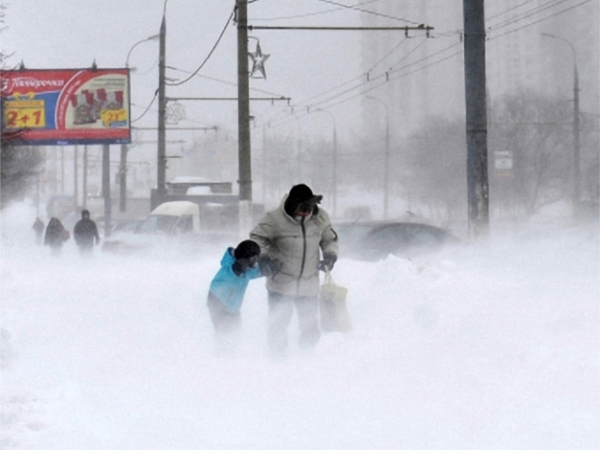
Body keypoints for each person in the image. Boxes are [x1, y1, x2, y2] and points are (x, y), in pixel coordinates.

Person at [250, 184, 338, 356]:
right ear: (292, 205)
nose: (306, 213)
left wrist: (330, 255)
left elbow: (329, 238)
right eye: (302, 209)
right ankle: (277, 362)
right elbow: (257, 238)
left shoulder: (320, 219)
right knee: (278, 326)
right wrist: (264, 257)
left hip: (309, 285)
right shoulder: (273, 219)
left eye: (309, 209)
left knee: (310, 328)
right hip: (280, 284)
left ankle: (305, 359)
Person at [207, 239, 263, 353]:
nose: (255, 262)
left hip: (232, 306)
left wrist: (265, 270)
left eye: (257, 258)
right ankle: (223, 358)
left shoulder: (245, 269)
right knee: (225, 334)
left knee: (234, 333)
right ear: (244, 258)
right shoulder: (229, 268)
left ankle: (231, 355)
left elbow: (251, 273)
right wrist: (236, 268)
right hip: (219, 302)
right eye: (253, 259)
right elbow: (230, 273)